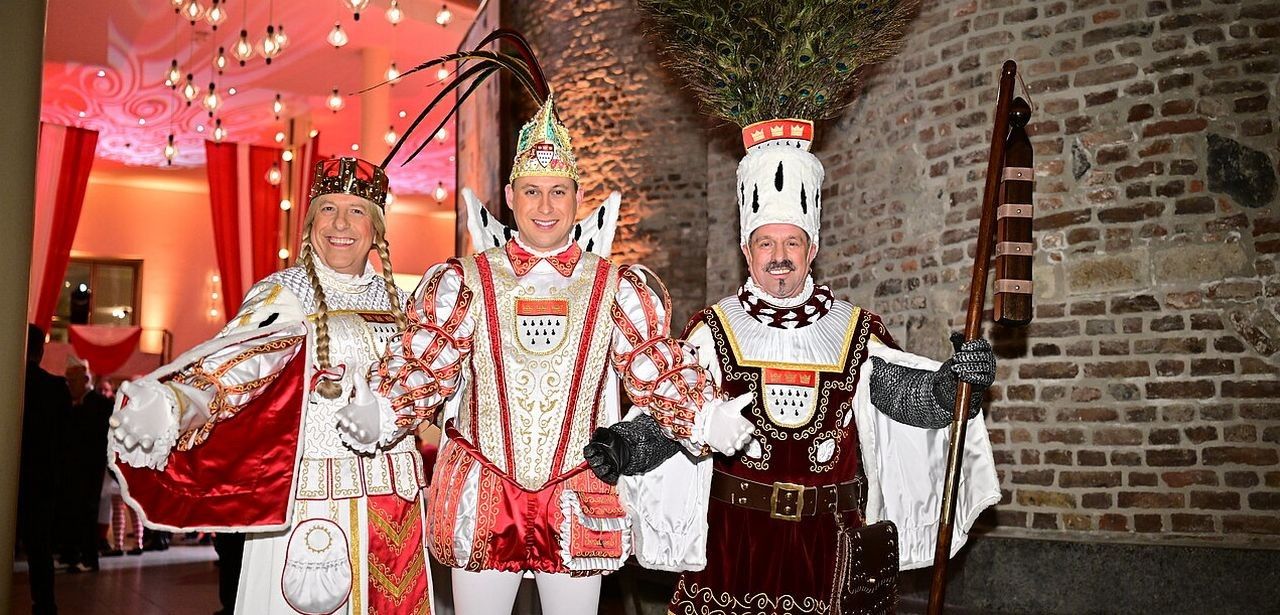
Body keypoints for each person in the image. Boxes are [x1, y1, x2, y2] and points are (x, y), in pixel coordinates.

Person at [586, 3, 1004, 613]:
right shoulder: (714, 331)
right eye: (765, 244)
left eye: (792, 244)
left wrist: (951, 383)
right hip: (735, 550)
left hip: (827, 553)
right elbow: (678, 416)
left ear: (812, 249)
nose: (778, 257)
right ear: (746, 249)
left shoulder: (854, 332)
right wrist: (624, 446)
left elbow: (906, 400)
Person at [351, 33, 754, 615]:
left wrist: (705, 414)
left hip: (577, 490)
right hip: (483, 489)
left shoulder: (616, 285)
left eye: (558, 192)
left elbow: (652, 368)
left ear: (577, 197)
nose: (545, 206)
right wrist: (383, 411)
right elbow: (427, 364)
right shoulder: (465, 282)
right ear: (510, 196)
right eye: (533, 192)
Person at [109, 156, 433, 614]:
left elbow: (433, 380)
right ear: (310, 220)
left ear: (377, 228)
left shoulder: (405, 302)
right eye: (327, 208)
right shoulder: (286, 292)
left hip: (395, 498)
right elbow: (239, 363)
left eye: (357, 210)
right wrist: (181, 401)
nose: (341, 222)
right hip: (309, 502)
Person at [19, 323, 71, 615]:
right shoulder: (54, 388)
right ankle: (44, 604)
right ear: (40, 352)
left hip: (16, 474)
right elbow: (65, 440)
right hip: (41, 479)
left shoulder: (12, 384)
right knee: (40, 549)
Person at [61, 357, 113, 572]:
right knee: (73, 510)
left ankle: (89, 556)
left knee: (88, 511)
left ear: (84, 380)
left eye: (72, 381)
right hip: (74, 467)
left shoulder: (99, 404)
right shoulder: (72, 404)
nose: (69, 385)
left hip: (90, 468)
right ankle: (72, 553)